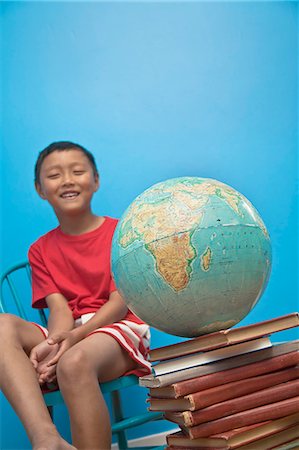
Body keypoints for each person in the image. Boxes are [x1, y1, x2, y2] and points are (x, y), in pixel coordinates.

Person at [0, 141, 152, 450]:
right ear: (40, 189)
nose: (67, 180)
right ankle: (46, 438)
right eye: (54, 175)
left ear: (95, 180)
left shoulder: (120, 234)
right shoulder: (40, 249)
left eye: (78, 171)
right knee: (2, 325)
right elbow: (60, 311)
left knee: (73, 362)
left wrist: (75, 339)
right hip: (71, 330)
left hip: (119, 327)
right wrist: (54, 344)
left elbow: (119, 303)